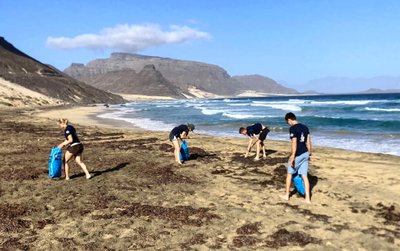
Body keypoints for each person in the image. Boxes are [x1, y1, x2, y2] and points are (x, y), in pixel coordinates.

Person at [279, 112, 312, 204]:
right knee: (304, 176)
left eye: (287, 122)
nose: (288, 124)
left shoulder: (293, 128)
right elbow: (308, 142)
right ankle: (308, 199)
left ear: (289, 119)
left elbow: (294, 143)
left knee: (289, 174)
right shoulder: (305, 127)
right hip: (305, 153)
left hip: (298, 154)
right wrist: (310, 153)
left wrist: (292, 156)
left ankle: (286, 195)